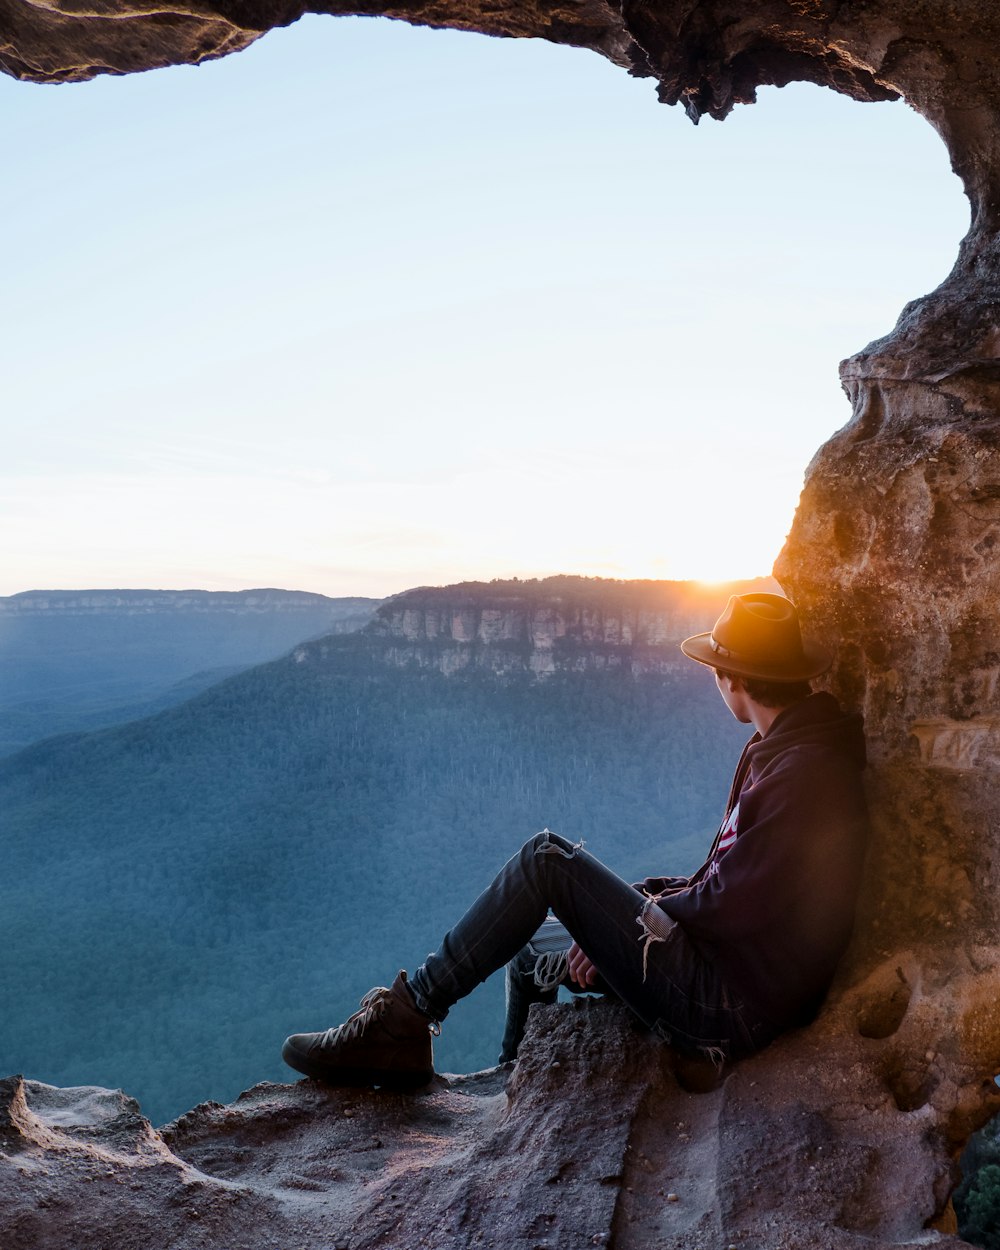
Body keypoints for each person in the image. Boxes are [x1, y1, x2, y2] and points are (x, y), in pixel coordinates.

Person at [281, 592, 870, 1088]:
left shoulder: (802, 772)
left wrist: (643, 919)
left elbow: (735, 901)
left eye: (716, 668)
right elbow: (732, 878)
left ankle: (403, 1022)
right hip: (724, 973)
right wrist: (632, 907)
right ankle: (513, 1085)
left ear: (733, 677)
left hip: (726, 1006)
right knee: (530, 949)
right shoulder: (789, 750)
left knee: (546, 860)